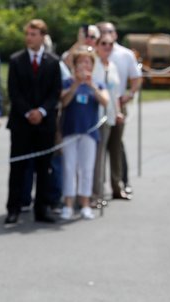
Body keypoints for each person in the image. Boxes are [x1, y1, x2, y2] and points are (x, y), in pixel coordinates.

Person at [5, 19, 62, 225]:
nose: (29, 38)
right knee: (18, 168)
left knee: (44, 168)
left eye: (33, 34)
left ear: (42, 37)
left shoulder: (53, 61)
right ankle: (13, 208)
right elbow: (14, 91)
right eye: (27, 34)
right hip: (21, 123)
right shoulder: (16, 60)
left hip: (45, 125)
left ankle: (42, 209)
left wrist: (42, 112)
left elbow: (55, 92)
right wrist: (28, 112)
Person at [59, 47, 108, 221]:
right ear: (75, 65)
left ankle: (85, 203)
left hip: (89, 132)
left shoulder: (97, 84)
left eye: (87, 62)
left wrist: (91, 85)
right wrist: (75, 85)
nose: (84, 65)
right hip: (70, 130)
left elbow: (105, 101)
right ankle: (68, 203)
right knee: (69, 167)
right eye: (80, 62)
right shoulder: (67, 82)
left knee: (86, 168)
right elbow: (64, 102)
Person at [99, 21, 141, 200]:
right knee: (99, 148)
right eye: (102, 32)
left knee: (116, 146)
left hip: (118, 103)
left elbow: (136, 78)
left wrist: (129, 95)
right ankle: (98, 189)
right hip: (99, 106)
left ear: (115, 34)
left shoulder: (125, 54)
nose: (106, 36)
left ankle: (120, 184)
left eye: (109, 31)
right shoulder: (94, 54)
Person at [92, 31, 121, 205]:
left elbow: (115, 93)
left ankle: (100, 191)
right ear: (96, 45)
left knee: (102, 156)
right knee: (95, 157)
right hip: (94, 117)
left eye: (110, 44)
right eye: (103, 43)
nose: (107, 47)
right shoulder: (92, 63)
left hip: (108, 116)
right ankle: (94, 193)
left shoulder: (113, 66)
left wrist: (118, 112)